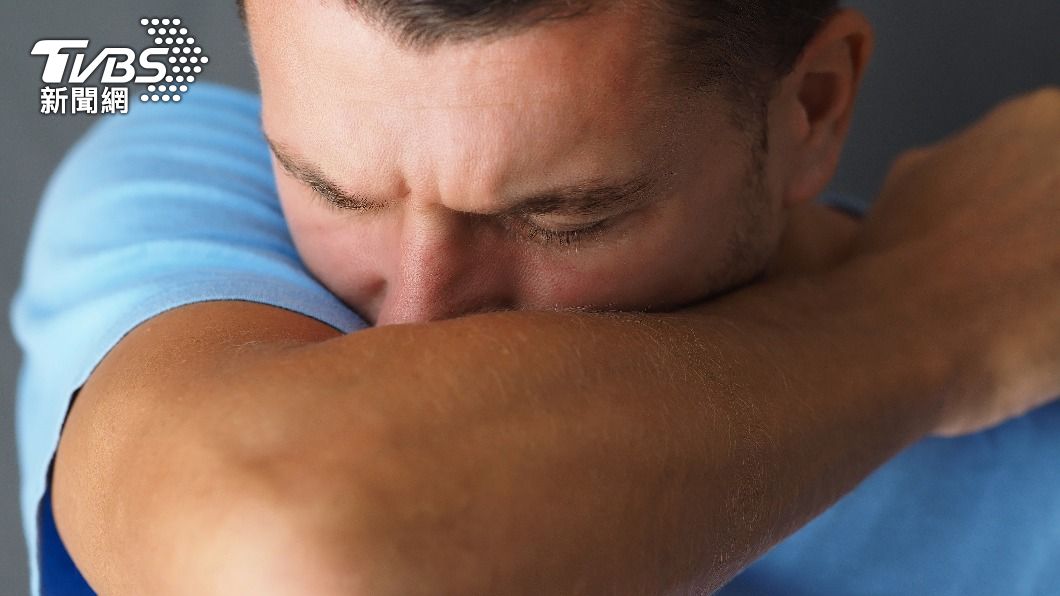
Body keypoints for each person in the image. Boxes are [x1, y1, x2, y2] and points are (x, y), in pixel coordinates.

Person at [10, 0, 1059, 594]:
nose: (414, 320)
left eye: (561, 217)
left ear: (813, 109)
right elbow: (304, 551)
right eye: (333, 191)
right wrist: (924, 318)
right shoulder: (188, 180)